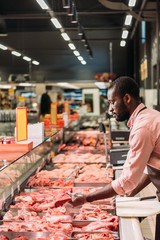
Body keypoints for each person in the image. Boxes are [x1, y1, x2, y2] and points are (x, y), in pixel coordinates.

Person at [70, 76, 160, 240]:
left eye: (113, 102)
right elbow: (151, 168)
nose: (110, 108)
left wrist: (86, 198)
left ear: (127, 98)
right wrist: (129, 193)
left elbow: (127, 180)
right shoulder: (147, 116)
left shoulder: (143, 126)